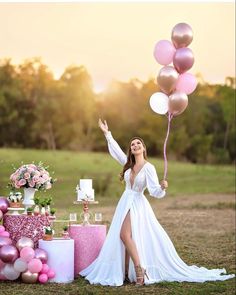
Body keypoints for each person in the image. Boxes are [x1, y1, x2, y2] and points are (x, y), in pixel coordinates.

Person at [79, 119, 235, 286]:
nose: (135, 145)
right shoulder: (128, 163)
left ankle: (140, 270)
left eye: (138, 143)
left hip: (137, 203)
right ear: (131, 150)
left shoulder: (149, 167)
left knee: (124, 235)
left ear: (143, 148)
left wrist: (162, 187)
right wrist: (106, 133)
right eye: (133, 144)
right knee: (123, 237)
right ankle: (124, 272)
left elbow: (154, 191)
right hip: (125, 201)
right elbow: (116, 150)